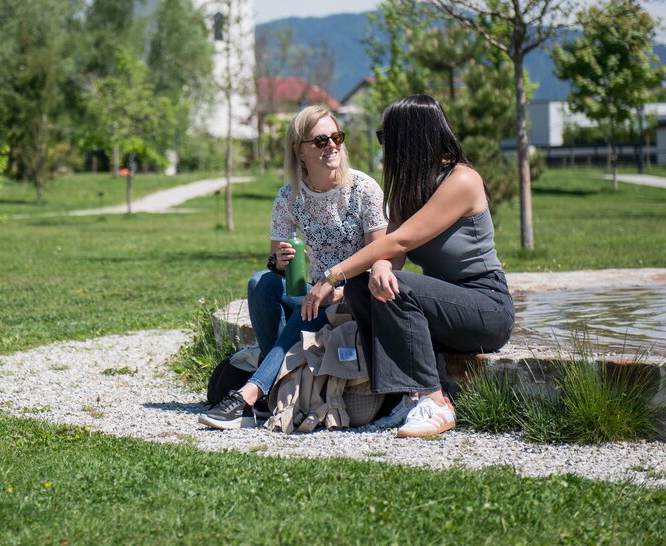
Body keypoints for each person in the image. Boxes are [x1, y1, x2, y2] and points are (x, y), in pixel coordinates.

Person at [303, 94, 514, 438]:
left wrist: (333, 274)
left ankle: (435, 402)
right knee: (363, 285)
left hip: (485, 308)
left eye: (386, 137)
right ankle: (406, 396)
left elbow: (401, 241)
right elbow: (393, 247)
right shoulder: (411, 188)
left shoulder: (461, 181)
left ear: (410, 138)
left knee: (391, 285)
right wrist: (382, 266)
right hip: (446, 311)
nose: (383, 146)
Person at [198, 105, 388, 429]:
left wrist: (336, 287)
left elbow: (380, 255)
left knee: (312, 299)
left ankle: (252, 393)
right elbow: (274, 267)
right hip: (313, 296)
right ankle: (272, 384)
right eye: (320, 140)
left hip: (352, 295)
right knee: (261, 282)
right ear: (299, 151)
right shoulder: (289, 196)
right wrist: (280, 262)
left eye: (337, 137)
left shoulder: (363, 189)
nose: (332, 146)